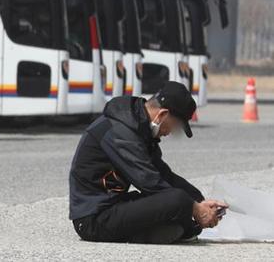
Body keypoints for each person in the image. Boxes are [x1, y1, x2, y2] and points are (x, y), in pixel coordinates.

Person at [69, 81, 228, 244]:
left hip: (115, 205)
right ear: (162, 115)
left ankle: (156, 231)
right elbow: (149, 181)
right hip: (93, 219)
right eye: (174, 126)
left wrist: (200, 201)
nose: (170, 132)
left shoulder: (139, 128)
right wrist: (194, 209)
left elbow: (164, 175)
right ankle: (144, 234)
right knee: (178, 201)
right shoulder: (120, 132)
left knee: (181, 205)